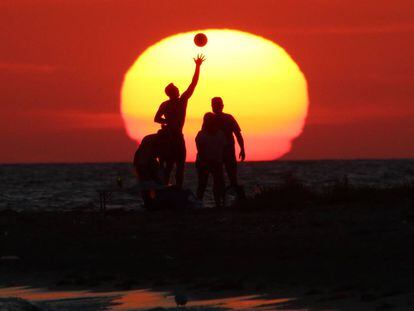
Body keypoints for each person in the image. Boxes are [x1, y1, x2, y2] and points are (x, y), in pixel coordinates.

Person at [154, 54, 206, 187]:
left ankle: (171, 187)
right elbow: (193, 84)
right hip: (174, 137)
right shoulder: (180, 101)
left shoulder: (167, 104)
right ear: (173, 92)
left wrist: (166, 122)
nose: (178, 89)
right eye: (176, 88)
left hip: (173, 136)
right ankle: (172, 188)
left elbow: (157, 119)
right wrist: (198, 66)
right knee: (177, 165)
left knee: (172, 166)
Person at [210, 97, 245, 190]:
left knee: (230, 176)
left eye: (216, 105)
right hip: (216, 153)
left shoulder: (228, 118)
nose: (215, 107)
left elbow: (238, 134)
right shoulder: (210, 120)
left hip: (227, 151)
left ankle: (229, 199)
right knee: (219, 178)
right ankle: (222, 200)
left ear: (222, 106)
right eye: (214, 105)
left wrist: (242, 149)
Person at [195, 113, 226, 207]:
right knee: (202, 184)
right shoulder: (201, 134)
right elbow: (200, 150)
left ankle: (219, 203)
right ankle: (198, 204)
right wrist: (204, 162)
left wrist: (221, 160)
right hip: (203, 162)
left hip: (217, 162)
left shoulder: (220, 133)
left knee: (218, 183)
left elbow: (223, 148)